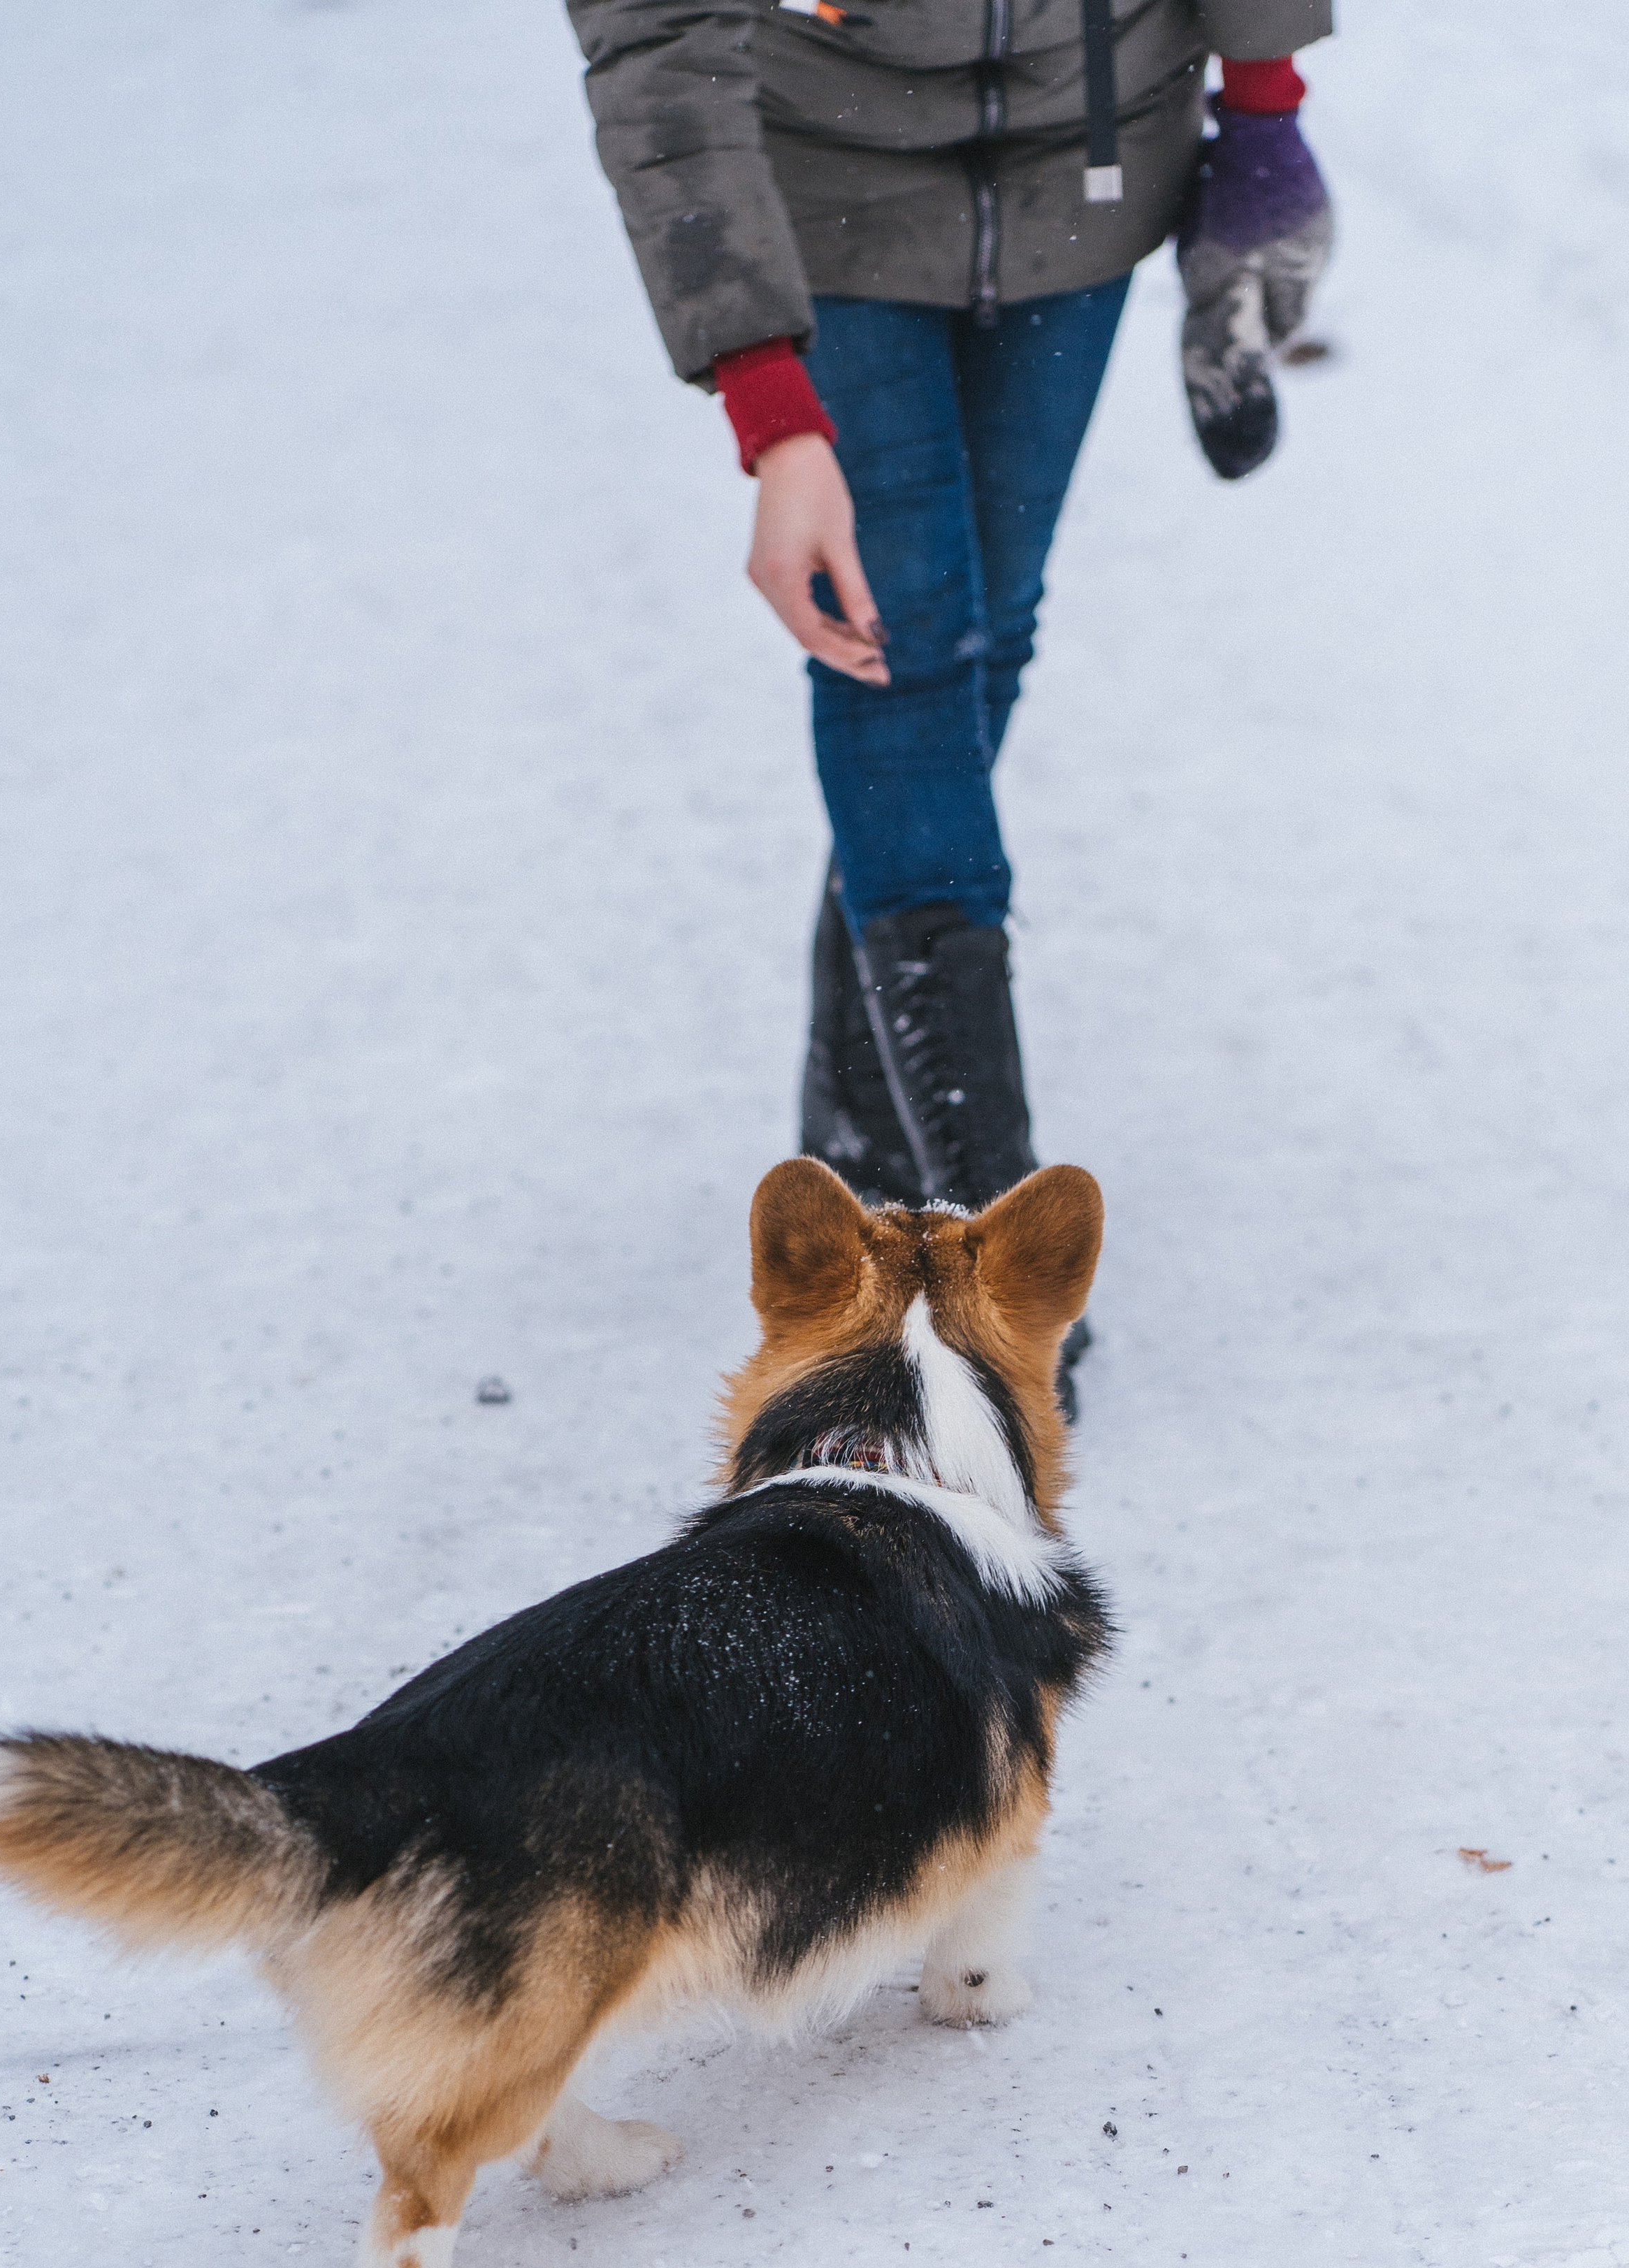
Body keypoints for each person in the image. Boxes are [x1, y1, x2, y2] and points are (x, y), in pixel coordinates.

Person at [567, 1, 1333, 1414]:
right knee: (898, 656)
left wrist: (1263, 103)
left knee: (981, 643)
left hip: (1086, 182)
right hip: (826, 190)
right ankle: (989, 1258)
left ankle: (861, 1112)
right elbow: (657, 42)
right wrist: (769, 407)